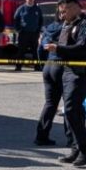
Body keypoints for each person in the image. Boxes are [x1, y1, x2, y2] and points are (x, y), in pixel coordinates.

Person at [45, 0, 86, 166]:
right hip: (68, 71)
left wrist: (58, 49)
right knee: (75, 111)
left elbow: (83, 48)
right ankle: (77, 148)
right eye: (60, 12)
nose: (62, 15)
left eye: (64, 11)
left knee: (70, 109)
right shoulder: (68, 24)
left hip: (81, 73)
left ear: (75, 7)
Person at [34, 9, 66, 146]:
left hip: (49, 66)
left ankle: (41, 136)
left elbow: (40, 49)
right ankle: (72, 139)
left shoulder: (48, 28)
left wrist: (43, 65)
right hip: (63, 66)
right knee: (70, 104)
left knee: (50, 103)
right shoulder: (68, 28)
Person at [13, 0, 43, 71]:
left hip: (34, 34)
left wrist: (38, 30)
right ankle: (18, 66)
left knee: (35, 51)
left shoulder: (37, 9)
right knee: (21, 51)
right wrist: (18, 30)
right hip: (23, 34)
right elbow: (16, 20)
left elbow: (41, 20)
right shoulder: (21, 8)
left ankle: (37, 67)